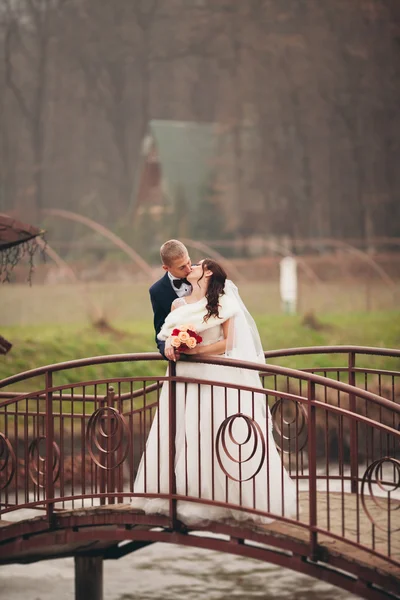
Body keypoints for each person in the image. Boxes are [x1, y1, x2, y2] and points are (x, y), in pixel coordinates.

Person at [132, 259, 297, 526]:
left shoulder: (224, 304)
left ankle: (225, 497)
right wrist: (175, 346)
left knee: (216, 429)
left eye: (197, 264)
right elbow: (165, 336)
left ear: (208, 272)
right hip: (185, 377)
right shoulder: (178, 305)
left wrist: (196, 351)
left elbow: (228, 342)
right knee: (185, 430)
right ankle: (184, 493)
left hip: (215, 374)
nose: (191, 267)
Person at [149, 239, 192, 359]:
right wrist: (167, 348)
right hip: (182, 359)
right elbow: (160, 329)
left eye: (189, 262)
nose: (189, 269)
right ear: (166, 268)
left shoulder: (203, 274)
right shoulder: (157, 291)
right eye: (182, 267)